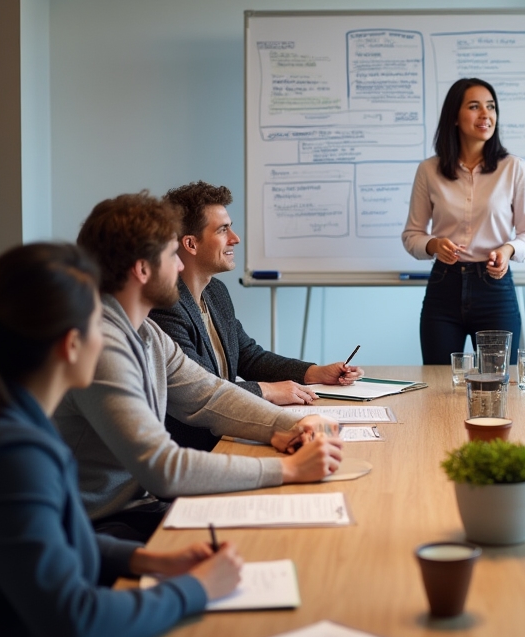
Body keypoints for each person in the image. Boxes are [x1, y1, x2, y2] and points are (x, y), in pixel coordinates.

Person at [0, 243, 244, 637]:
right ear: (72, 346)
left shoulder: (21, 427)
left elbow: (53, 540)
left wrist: (150, 559)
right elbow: (73, 623)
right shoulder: (15, 455)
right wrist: (196, 590)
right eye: (102, 327)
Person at [54, 193, 342, 542]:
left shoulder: (145, 332)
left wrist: (294, 424)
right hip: (97, 528)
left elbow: (208, 394)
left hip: (138, 508)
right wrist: (288, 469)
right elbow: (163, 468)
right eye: (170, 256)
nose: (178, 267)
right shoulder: (101, 346)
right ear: (143, 270)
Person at [150, 181, 362, 452]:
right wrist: (266, 390)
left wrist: (313, 373)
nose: (235, 238)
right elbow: (202, 392)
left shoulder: (215, 292)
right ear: (190, 244)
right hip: (197, 446)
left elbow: (249, 355)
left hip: (227, 434)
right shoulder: (164, 306)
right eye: (223, 230)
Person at [402, 77, 525, 364]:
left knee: (497, 386)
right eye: (475, 106)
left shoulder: (513, 168)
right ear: (454, 116)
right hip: (444, 286)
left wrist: (508, 250)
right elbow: (412, 235)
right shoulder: (429, 170)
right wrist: (433, 245)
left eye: (490, 107)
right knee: (438, 386)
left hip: (494, 288)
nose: (485, 115)